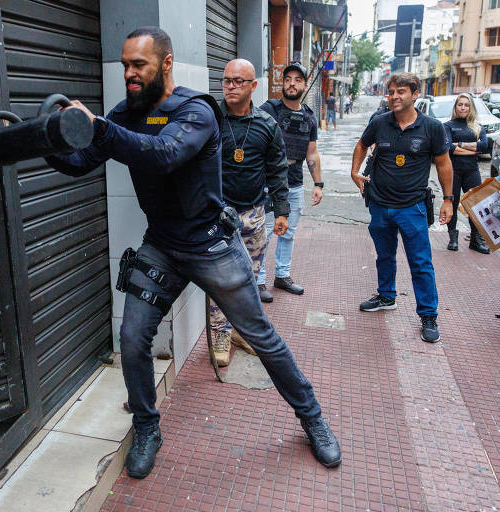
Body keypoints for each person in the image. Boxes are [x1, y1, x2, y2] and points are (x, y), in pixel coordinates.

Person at [44, 27, 342, 478]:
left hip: (211, 245)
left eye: (138, 65)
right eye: (125, 65)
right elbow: (81, 160)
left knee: (262, 338)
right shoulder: (127, 113)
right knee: (132, 338)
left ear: (165, 65)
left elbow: (163, 154)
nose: (129, 73)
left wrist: (101, 128)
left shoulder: (196, 111)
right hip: (162, 246)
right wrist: (38, 141)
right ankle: (147, 426)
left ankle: (312, 418)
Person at [350, 72, 454, 343]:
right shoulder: (380, 123)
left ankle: (428, 315)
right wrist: (354, 172)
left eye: (401, 92)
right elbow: (362, 145)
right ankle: (386, 296)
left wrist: (448, 199)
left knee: (420, 263)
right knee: (384, 256)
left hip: (413, 208)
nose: (394, 96)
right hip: (381, 205)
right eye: (391, 92)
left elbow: (443, 164)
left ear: (415, 94)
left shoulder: (432, 127)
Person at [207, 58, 290, 366]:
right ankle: (219, 335)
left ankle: (240, 331)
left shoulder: (266, 124)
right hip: (217, 217)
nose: (231, 86)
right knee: (219, 281)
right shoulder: (211, 118)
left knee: (249, 279)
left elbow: (277, 169)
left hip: (254, 215)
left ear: (253, 86)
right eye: (227, 80)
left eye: (238, 81)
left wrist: (281, 210)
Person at [258, 63, 324, 298]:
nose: (292, 83)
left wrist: (318, 184)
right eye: (288, 79)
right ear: (282, 83)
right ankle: (258, 280)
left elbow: (312, 152)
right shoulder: (268, 109)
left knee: (288, 232)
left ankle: (282, 276)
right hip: (267, 182)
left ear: (305, 85)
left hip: (294, 182)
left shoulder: (308, 117)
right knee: (263, 232)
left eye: (297, 80)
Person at [443, 94, 491, 253]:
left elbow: (484, 146)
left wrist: (461, 145)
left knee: (476, 206)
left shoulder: (477, 127)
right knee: (453, 203)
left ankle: (476, 240)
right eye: (460, 105)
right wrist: (473, 149)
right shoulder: (448, 126)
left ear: (471, 108)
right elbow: (449, 147)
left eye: (466, 105)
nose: (463, 107)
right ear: (455, 107)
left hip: (472, 171)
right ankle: (452, 239)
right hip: (453, 171)